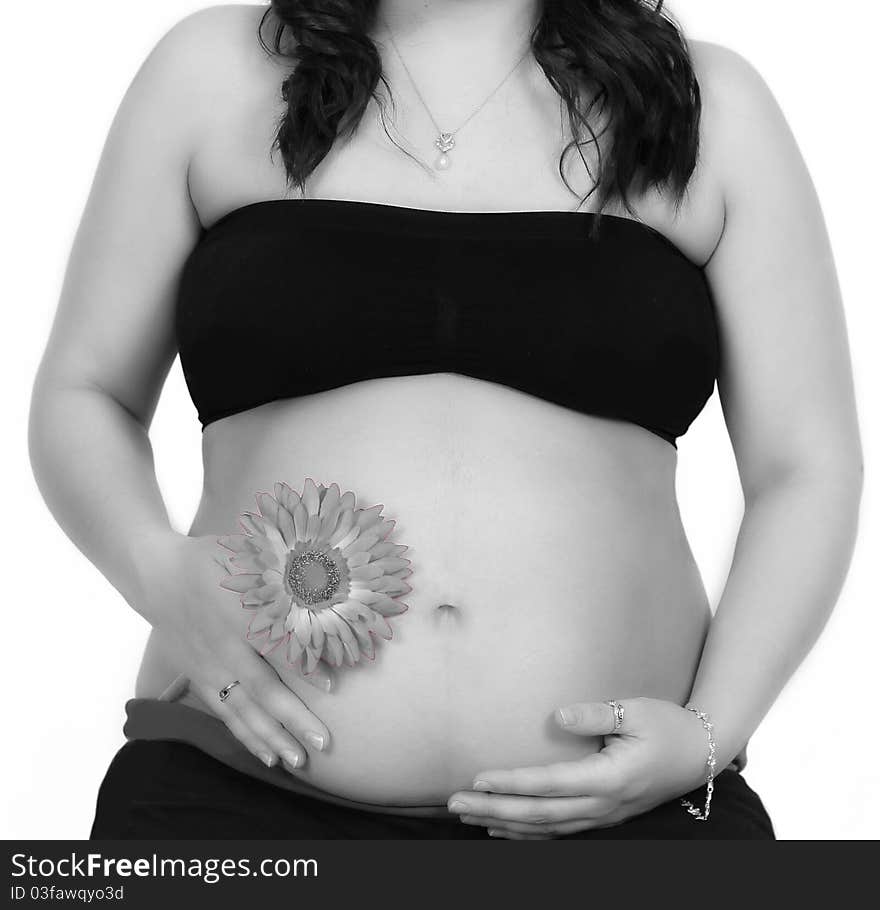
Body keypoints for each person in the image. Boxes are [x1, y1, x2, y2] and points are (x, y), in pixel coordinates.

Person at [29, 0, 862, 839]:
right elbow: (85, 391)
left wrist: (709, 734)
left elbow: (807, 464)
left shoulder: (706, 103)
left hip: (638, 811)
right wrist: (154, 567)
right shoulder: (213, 69)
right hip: (231, 785)